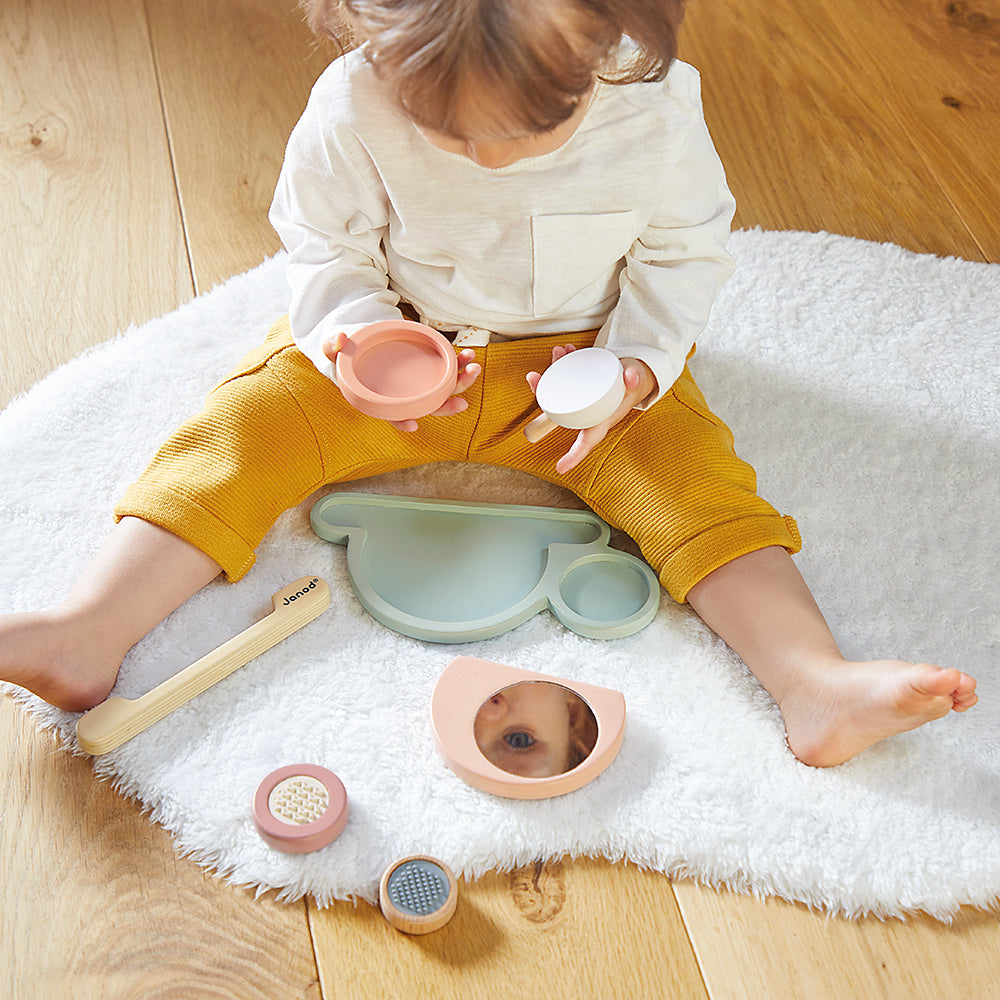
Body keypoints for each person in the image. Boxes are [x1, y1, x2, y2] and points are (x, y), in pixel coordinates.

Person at [0, 0, 976, 766]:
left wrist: (637, 365)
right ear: (376, 44)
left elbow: (683, 254)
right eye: (450, 134)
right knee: (247, 421)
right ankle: (92, 629)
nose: (487, 159)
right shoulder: (352, 106)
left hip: (582, 364)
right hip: (404, 350)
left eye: (524, 133)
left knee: (693, 474)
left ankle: (812, 681)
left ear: (609, 36)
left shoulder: (657, 111)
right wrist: (356, 339)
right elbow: (322, 245)